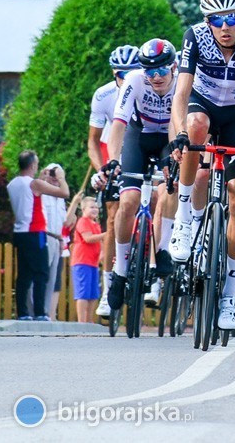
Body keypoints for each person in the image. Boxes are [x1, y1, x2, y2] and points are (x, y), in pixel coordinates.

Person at [169, 0, 235, 331]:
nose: (224, 26)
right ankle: (185, 218)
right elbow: (181, 92)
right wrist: (180, 134)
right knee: (195, 125)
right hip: (204, 105)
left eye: (230, 18)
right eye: (216, 20)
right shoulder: (195, 36)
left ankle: (230, 293)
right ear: (207, 21)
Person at [105, 38, 179, 312]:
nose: (156, 77)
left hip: (166, 138)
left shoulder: (183, 77)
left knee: (170, 186)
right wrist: (113, 160)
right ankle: (121, 272)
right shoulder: (134, 80)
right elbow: (119, 124)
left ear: (172, 66)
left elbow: (182, 120)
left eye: (161, 71)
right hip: (139, 138)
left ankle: (162, 249)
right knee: (128, 201)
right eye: (150, 72)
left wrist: (175, 156)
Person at [89, 45, 141, 317]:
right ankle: (109, 286)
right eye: (122, 74)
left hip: (143, 146)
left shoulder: (147, 87)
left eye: (133, 72)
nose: (127, 78)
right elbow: (93, 141)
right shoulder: (104, 96)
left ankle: (151, 261)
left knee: (154, 200)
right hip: (115, 153)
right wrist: (102, 170)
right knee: (112, 218)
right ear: (114, 73)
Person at [7, 150, 70, 320]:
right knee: (42, 272)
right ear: (33, 165)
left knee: (24, 273)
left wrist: (42, 178)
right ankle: (41, 313)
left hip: (20, 232)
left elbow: (29, 198)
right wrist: (61, 177)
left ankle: (23, 313)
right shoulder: (35, 184)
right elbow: (64, 193)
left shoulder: (12, 184)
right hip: (36, 231)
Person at [40, 164, 71, 320]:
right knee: (41, 275)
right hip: (43, 236)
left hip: (56, 238)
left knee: (52, 279)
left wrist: (60, 240)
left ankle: (46, 313)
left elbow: (64, 222)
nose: (54, 177)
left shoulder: (60, 197)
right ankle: (35, 311)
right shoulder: (42, 191)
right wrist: (43, 177)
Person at [71, 197, 104, 322]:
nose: (95, 209)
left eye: (96, 207)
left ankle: (89, 321)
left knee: (93, 293)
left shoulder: (96, 224)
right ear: (83, 209)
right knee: (83, 293)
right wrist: (106, 235)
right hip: (82, 261)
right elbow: (88, 238)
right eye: (91, 207)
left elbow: (100, 242)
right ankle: (82, 322)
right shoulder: (83, 221)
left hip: (93, 263)